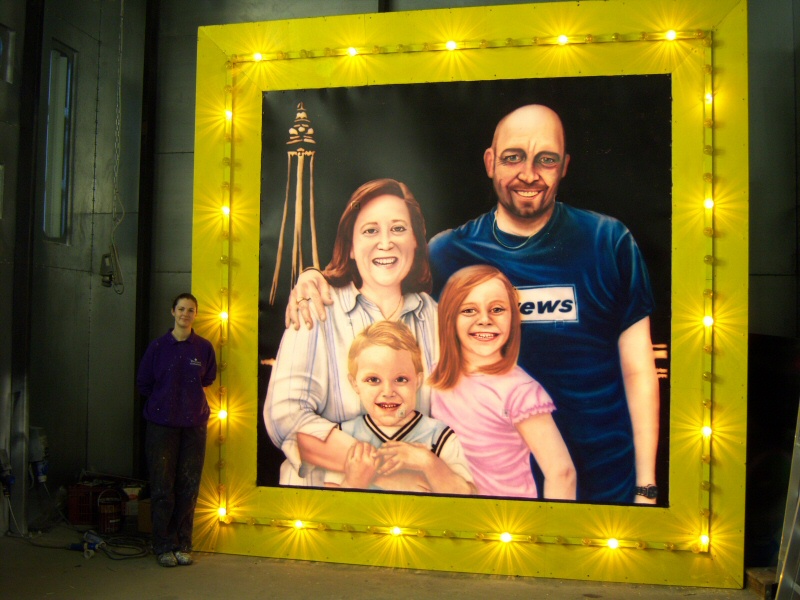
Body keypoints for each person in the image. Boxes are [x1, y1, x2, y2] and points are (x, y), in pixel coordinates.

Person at [285, 105, 660, 504]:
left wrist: (646, 484)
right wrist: (316, 278)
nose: (529, 174)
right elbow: (383, 279)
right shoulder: (447, 253)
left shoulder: (608, 241)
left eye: (545, 159)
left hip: (607, 482)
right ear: (490, 162)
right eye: (513, 157)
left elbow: (638, 370)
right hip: (484, 493)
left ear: (564, 165)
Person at [264, 178, 439, 487]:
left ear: (415, 240)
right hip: (325, 506)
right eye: (370, 230)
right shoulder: (317, 306)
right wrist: (391, 474)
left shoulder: (433, 315)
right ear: (352, 246)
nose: (386, 242)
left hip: (414, 509)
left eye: (398, 228)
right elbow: (285, 416)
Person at [429, 265, 575, 499]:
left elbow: (562, 472)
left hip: (507, 521)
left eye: (497, 309)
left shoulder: (520, 390)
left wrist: (547, 531)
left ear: (513, 317)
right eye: (469, 310)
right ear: (449, 317)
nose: (484, 320)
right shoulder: (435, 377)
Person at [324, 320, 474, 495]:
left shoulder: (439, 436)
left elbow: (467, 494)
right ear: (354, 383)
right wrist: (354, 481)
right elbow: (331, 502)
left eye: (401, 379)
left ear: (417, 381)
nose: (388, 392)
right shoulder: (343, 435)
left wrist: (428, 462)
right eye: (373, 380)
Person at [137, 293, 217, 567]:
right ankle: (162, 546)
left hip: (194, 427)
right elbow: (144, 383)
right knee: (162, 488)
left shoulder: (203, 348)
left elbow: (208, 378)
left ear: (196, 314)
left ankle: (183, 545)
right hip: (161, 428)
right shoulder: (158, 348)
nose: (185, 313)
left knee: (188, 487)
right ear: (172, 311)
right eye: (181, 309)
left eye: (190, 310)